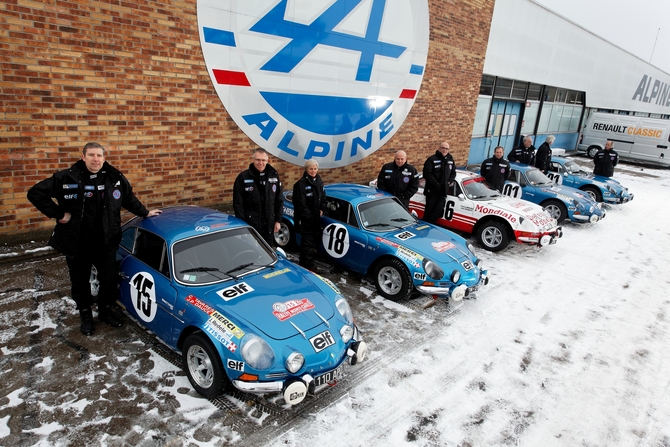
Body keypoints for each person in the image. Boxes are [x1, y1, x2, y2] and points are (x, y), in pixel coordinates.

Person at [27, 142, 162, 336]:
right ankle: (85, 314)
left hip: (105, 243)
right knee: (80, 281)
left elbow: (129, 198)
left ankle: (105, 311)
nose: (95, 159)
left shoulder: (115, 177)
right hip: (78, 243)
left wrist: (145, 212)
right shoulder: (67, 177)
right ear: (83, 157)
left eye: (99, 155)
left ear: (104, 158)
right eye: (91, 155)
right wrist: (58, 214)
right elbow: (35, 193)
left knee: (108, 280)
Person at [233, 148, 283, 247]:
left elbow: (279, 200)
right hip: (251, 224)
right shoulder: (243, 177)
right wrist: (242, 225)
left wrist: (278, 220)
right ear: (253, 159)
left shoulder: (274, 176)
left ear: (267, 161)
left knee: (267, 251)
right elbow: (238, 203)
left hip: (269, 224)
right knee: (251, 251)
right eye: (258, 160)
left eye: (263, 160)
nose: (260, 163)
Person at [292, 160, 326, 269]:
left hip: (315, 219)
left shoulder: (319, 181)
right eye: (311, 169)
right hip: (305, 220)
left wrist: (322, 209)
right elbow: (300, 204)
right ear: (306, 169)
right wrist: (311, 217)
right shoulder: (300, 185)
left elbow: (323, 198)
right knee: (307, 244)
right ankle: (307, 267)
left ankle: (307, 263)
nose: (313, 171)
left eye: (315, 168)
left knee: (311, 244)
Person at [422, 142, 456, 223]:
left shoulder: (450, 159)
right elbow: (427, 174)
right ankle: (425, 228)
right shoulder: (431, 159)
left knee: (437, 212)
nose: (444, 150)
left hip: (443, 193)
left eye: (446, 148)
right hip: (432, 192)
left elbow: (453, 173)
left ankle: (431, 228)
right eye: (443, 148)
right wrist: (436, 184)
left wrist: (449, 181)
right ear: (439, 148)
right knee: (429, 212)